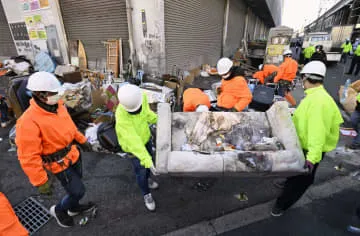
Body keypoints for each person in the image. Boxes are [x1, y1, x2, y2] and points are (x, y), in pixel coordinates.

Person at [15, 72, 95, 228]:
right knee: (78, 191)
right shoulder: (27, 121)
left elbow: (69, 126)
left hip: (73, 154)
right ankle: (59, 210)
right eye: (53, 93)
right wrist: (40, 181)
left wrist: (81, 140)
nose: (57, 95)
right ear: (40, 95)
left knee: (76, 187)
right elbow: (28, 156)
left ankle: (73, 207)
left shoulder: (58, 105)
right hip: (58, 164)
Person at [271, 61, 343, 217]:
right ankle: (289, 181)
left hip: (310, 150)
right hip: (303, 145)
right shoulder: (315, 96)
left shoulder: (319, 102)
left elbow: (318, 133)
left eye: (302, 78)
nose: (301, 81)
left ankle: (281, 205)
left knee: (302, 181)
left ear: (306, 78)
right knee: (295, 171)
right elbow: (306, 118)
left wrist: (312, 159)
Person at [115, 84, 159, 212]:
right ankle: (146, 194)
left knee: (148, 163)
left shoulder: (141, 97)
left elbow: (147, 114)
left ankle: (148, 178)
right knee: (141, 170)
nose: (137, 111)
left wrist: (161, 120)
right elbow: (134, 142)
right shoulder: (121, 117)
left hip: (145, 138)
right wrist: (147, 161)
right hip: (133, 148)